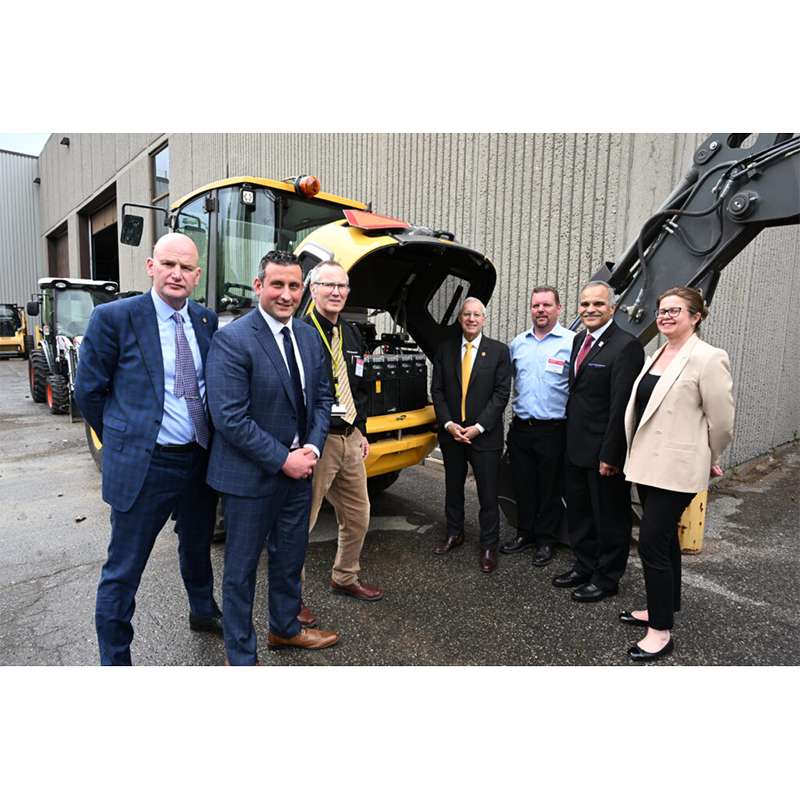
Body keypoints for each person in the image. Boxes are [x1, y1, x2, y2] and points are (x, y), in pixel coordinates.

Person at [74, 232, 222, 666]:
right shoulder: (114, 317)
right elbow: (89, 392)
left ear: (197, 275)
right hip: (146, 465)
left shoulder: (206, 321)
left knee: (197, 546)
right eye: (168, 264)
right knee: (124, 569)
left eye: (186, 267)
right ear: (151, 266)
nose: (177, 274)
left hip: (198, 459)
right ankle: (115, 660)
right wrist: (127, 438)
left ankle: (202, 610)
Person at [205, 250, 337, 666]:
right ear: (259, 286)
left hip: (300, 471)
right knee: (241, 571)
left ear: (304, 290)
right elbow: (229, 417)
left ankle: (285, 629)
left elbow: (322, 399)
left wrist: (312, 449)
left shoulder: (309, 336)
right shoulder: (233, 338)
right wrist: (285, 459)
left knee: (289, 558)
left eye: (294, 286)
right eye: (277, 284)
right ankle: (240, 655)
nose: (286, 294)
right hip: (250, 478)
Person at [620, 287, 734, 661]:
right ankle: (662, 608)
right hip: (647, 464)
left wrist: (709, 455)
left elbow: (722, 422)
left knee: (651, 542)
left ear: (696, 316)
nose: (665, 316)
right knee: (665, 540)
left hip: (678, 467)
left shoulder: (708, 357)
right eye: (661, 311)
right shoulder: (657, 354)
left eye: (675, 310)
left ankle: (660, 631)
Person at [299, 261, 383, 623]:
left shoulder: (352, 333)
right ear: (312, 289)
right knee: (301, 523)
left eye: (342, 286)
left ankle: (344, 577)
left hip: (349, 437)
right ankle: (290, 596)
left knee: (358, 516)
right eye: (328, 284)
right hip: (318, 441)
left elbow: (360, 383)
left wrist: (361, 428)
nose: (336, 291)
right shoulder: (300, 333)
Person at [554, 280, 645, 601]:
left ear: (613, 308)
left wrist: (612, 455)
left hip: (604, 454)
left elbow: (622, 407)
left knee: (609, 519)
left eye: (597, 304)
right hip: (576, 446)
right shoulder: (580, 339)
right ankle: (584, 565)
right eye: (585, 304)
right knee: (580, 514)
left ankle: (607, 579)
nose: (590, 310)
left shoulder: (626, 346)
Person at [431, 298, 512, 572]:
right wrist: (448, 424)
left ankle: (489, 545)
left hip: (484, 436)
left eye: (477, 315)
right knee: (453, 489)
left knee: (488, 494)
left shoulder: (499, 352)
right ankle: (455, 532)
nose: (471, 319)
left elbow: (501, 395)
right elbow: (438, 391)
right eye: (467, 314)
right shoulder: (445, 349)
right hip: (452, 434)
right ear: (460, 318)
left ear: (484, 319)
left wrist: (479, 427)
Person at [501, 285, 576, 566]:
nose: (540, 310)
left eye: (546, 305)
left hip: (553, 429)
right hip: (521, 428)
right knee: (523, 485)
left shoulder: (572, 342)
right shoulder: (518, 343)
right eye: (536, 306)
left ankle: (546, 540)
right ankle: (525, 534)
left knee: (550, 488)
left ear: (558, 308)